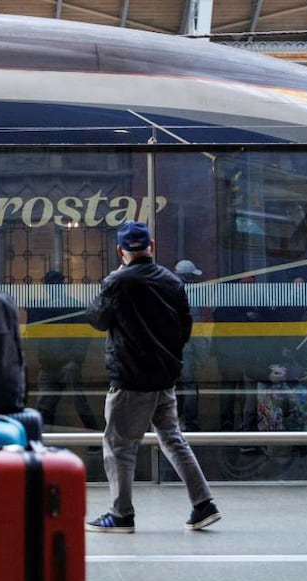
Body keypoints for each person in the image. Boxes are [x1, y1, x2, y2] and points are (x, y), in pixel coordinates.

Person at [84, 221, 220, 533]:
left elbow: (97, 319)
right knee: (173, 439)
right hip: (164, 377)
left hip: (131, 379)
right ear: (152, 246)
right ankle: (203, 504)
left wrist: (111, 281)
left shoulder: (118, 282)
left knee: (118, 446)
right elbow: (185, 328)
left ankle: (121, 515)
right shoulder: (172, 282)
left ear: (120, 250)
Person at [27, 269, 98, 430]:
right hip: (49, 364)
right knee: (46, 406)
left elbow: (83, 337)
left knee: (78, 404)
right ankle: (46, 440)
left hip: (65, 364)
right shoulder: (47, 307)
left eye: (54, 286)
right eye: (49, 286)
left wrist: (75, 360)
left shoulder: (73, 306)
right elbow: (32, 331)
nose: (51, 289)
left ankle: (95, 438)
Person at [174, 259, 208, 431]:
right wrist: (202, 356)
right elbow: (197, 329)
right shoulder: (191, 296)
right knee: (188, 388)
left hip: (171, 351)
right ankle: (192, 424)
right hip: (187, 351)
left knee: (175, 389)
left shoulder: (168, 292)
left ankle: (176, 421)